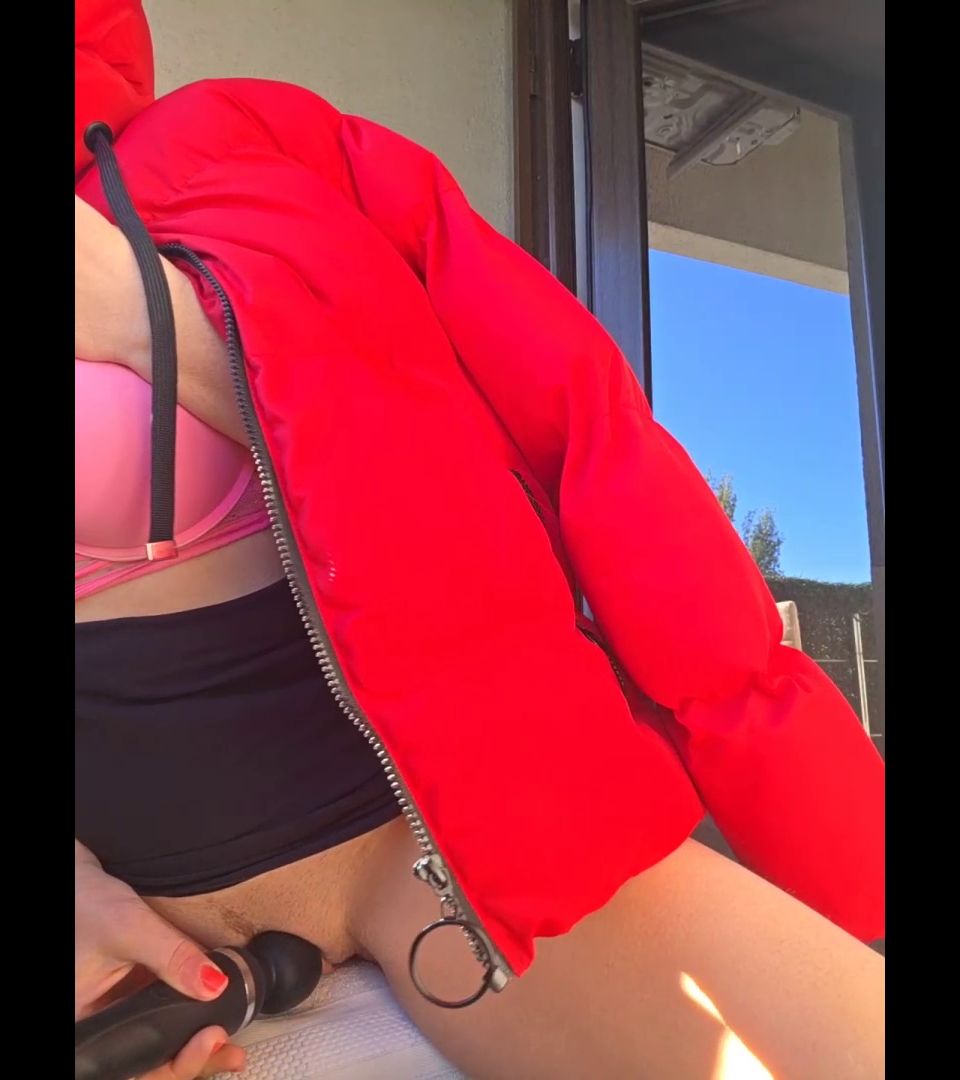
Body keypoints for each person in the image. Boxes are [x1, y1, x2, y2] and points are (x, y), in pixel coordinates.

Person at [75, 2, 884, 1077]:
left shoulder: (241, 144)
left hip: (440, 840)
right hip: (142, 932)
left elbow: (575, 434)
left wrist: (153, 324)